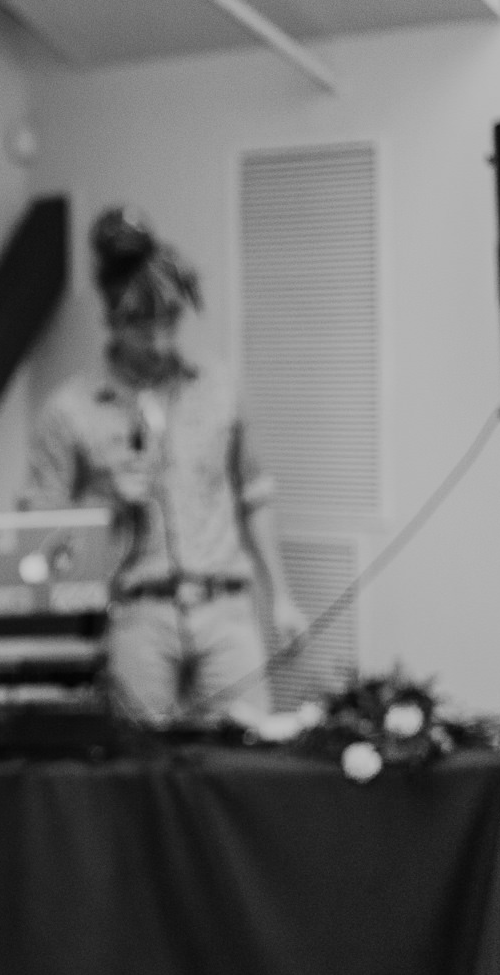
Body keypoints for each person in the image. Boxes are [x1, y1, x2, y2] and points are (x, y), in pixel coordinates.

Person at [24, 205, 307, 724]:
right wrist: (108, 507)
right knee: (142, 774)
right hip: (135, 616)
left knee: (242, 764)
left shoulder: (219, 388)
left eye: (169, 321)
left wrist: (283, 597)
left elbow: (255, 493)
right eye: (140, 325)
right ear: (112, 317)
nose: (157, 341)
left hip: (226, 607)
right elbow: (41, 537)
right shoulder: (70, 410)